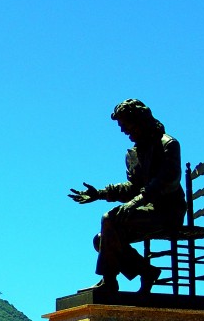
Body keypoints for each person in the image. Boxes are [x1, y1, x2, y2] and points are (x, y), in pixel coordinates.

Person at [68, 99, 186, 293]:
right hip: (147, 212)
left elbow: (168, 181)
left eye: (127, 126)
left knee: (109, 220)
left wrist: (134, 203)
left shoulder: (168, 144)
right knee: (102, 240)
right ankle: (147, 271)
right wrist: (100, 193)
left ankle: (109, 282)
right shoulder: (133, 154)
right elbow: (132, 187)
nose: (124, 131)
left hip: (168, 212)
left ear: (140, 120)